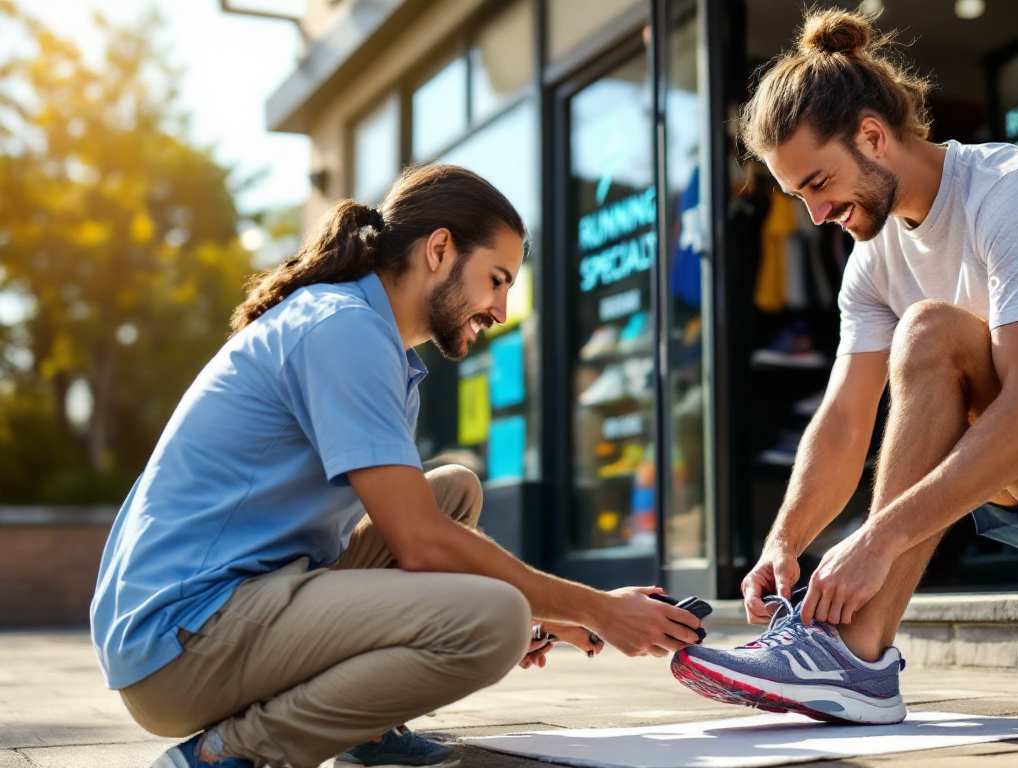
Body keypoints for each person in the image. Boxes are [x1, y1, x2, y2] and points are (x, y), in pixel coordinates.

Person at [672, 9, 1018, 725]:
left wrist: (875, 539)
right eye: (800, 197)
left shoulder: (1010, 190)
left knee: (931, 332)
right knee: (922, 341)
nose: (816, 213)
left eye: (820, 182)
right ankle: (850, 660)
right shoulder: (870, 262)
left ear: (873, 136)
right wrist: (786, 540)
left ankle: (853, 655)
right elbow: (844, 420)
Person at [90, 164, 702, 768]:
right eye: (496, 280)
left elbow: (413, 536)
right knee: (493, 621)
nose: (501, 310)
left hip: (228, 611)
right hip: (181, 643)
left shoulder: (372, 339)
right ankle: (227, 754)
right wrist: (596, 610)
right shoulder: (344, 328)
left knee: (452, 491)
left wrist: (553, 616)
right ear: (439, 250)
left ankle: (364, 725)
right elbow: (419, 542)